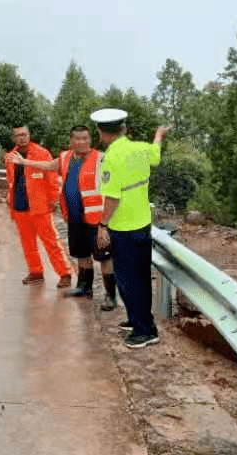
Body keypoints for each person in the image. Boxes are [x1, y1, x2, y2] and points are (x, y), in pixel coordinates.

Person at [7, 125, 117, 310]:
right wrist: (24, 162)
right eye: (77, 139)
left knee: (104, 258)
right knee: (82, 254)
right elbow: (49, 166)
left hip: (96, 219)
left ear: (90, 140)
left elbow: (113, 190)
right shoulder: (66, 157)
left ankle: (110, 297)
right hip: (75, 218)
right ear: (71, 141)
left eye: (85, 138)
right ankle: (84, 287)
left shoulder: (101, 159)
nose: (81, 142)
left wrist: (105, 224)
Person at [91, 108, 168, 349]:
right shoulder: (140, 149)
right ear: (123, 129)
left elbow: (112, 199)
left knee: (128, 280)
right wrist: (158, 135)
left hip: (123, 228)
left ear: (100, 133)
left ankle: (145, 330)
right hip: (142, 223)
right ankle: (137, 320)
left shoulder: (111, 157)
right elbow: (155, 154)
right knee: (140, 278)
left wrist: (103, 225)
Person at [5, 125, 72, 288]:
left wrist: (53, 199)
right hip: (20, 207)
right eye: (18, 135)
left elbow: (52, 178)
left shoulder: (42, 153)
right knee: (27, 244)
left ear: (29, 135)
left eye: (25, 134)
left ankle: (64, 274)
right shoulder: (10, 156)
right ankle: (36, 272)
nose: (22, 138)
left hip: (39, 207)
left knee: (50, 242)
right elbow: (10, 180)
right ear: (14, 138)